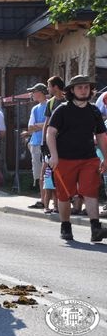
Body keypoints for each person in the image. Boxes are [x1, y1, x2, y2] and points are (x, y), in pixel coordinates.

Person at [47, 75, 107, 241]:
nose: (83, 90)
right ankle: (65, 226)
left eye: (86, 87)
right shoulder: (62, 110)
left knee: (90, 191)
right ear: (72, 90)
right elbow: (50, 133)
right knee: (64, 196)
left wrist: (106, 157)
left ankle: (96, 228)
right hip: (64, 159)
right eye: (79, 87)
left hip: (89, 159)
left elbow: (101, 135)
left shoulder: (94, 110)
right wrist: (54, 156)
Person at [39, 76, 65, 213]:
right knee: (48, 174)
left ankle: (61, 204)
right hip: (51, 142)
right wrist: (43, 142)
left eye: (49, 86)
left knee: (63, 174)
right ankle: (49, 205)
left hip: (66, 142)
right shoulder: (51, 102)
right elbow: (46, 123)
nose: (48, 89)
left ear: (55, 87)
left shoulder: (68, 100)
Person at [22, 82, 48, 207]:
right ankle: (43, 200)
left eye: (34, 91)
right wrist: (42, 125)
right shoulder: (35, 108)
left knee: (48, 173)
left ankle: (49, 201)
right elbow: (30, 127)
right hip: (35, 142)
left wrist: (38, 126)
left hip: (47, 142)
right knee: (39, 174)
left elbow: (51, 124)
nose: (32, 94)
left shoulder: (50, 105)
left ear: (41, 92)